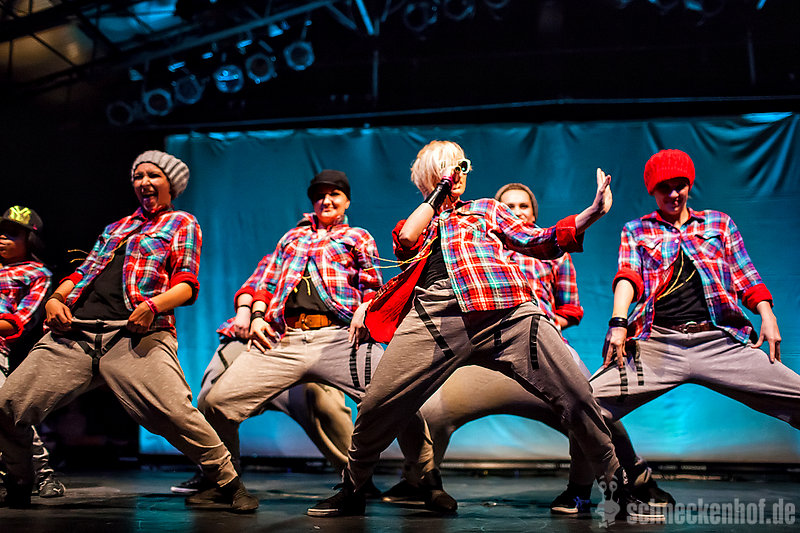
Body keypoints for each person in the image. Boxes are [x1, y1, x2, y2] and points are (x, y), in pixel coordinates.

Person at [309, 140, 662, 523]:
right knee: (378, 403)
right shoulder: (420, 220)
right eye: (449, 168)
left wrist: (591, 214)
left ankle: (617, 490)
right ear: (429, 177)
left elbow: (538, 240)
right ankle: (353, 488)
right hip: (437, 314)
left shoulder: (486, 209)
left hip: (507, 308)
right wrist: (439, 192)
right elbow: (406, 240)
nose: (458, 174)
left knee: (579, 397)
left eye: (461, 167)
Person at [379, 182, 671, 514]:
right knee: (429, 409)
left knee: (591, 403)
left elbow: (571, 308)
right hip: (480, 355)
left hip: (535, 348)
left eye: (523, 206)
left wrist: (550, 322)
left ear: (533, 213)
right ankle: (417, 481)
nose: (516, 212)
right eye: (509, 206)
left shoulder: (552, 255)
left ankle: (627, 479)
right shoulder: (473, 247)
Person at [0, 151, 257, 512]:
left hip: (135, 333)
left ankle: (229, 483)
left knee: (175, 413)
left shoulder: (181, 222)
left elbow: (187, 284)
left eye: (154, 175)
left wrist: (153, 306)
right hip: (76, 332)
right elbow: (82, 273)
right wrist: (56, 299)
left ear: (171, 184)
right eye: (138, 176)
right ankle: (20, 481)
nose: (144, 182)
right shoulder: (116, 227)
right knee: (8, 405)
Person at [198, 170, 450, 511]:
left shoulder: (356, 236)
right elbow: (265, 281)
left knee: (398, 396)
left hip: (340, 337)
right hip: (286, 339)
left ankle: (427, 481)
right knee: (216, 402)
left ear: (346, 201)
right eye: (320, 195)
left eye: (334, 195)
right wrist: (256, 315)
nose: (326, 201)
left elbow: (372, 285)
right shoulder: (291, 238)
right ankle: (226, 483)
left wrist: (365, 309)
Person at [572, 149, 800, 508]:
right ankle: (585, 489)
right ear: (653, 190)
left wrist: (767, 316)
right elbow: (628, 276)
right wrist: (618, 322)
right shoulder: (637, 230)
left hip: (719, 341)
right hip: (658, 343)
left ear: (689, 186)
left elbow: (746, 276)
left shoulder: (719, 223)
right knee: (585, 404)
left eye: (680, 185)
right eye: (665, 187)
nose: (674, 194)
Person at [170, 252, 356, 494]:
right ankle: (217, 475)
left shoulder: (331, 263)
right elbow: (253, 286)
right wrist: (245, 313)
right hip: (255, 336)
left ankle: (356, 476)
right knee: (210, 398)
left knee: (323, 405)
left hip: (296, 340)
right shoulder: (278, 259)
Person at [0, 206, 66, 500]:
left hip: (2, 348)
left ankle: (42, 474)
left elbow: (21, 321)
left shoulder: (37, 274)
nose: (2, 238)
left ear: (30, 240)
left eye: (12, 234)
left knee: (7, 415)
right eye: (0, 232)